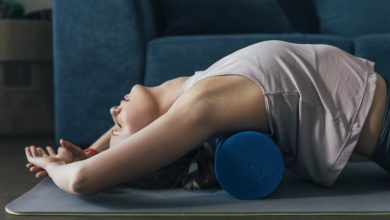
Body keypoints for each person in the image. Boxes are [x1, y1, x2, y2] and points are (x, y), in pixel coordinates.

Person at [25, 40, 389, 195]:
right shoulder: (203, 107)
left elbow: (99, 155)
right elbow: (81, 182)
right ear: (163, 136)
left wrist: (92, 151)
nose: (113, 113)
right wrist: (54, 166)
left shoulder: (191, 87)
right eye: (120, 126)